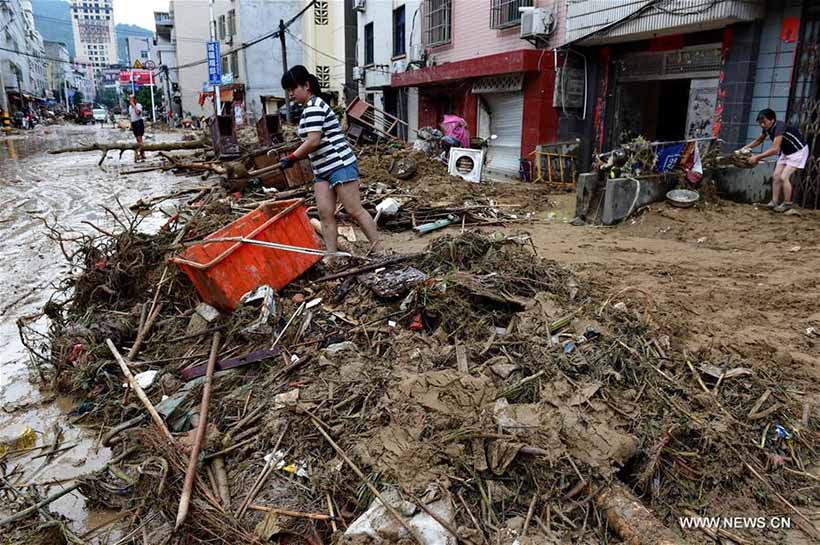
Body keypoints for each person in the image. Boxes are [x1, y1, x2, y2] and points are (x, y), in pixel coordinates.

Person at [279, 65, 380, 254]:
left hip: (340, 164)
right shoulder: (308, 109)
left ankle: (379, 249)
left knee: (354, 210)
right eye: (289, 90)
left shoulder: (315, 106)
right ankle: (331, 256)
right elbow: (310, 140)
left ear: (306, 85)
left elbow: (314, 140)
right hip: (321, 169)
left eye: (293, 89)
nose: (291, 94)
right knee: (325, 214)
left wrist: (292, 158)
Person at [741, 108, 808, 213]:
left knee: (783, 177)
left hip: (797, 152)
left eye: (764, 122)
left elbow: (775, 150)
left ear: (772, 120)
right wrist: (743, 149)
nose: (762, 125)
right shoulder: (768, 128)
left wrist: (757, 157)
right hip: (786, 152)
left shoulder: (779, 128)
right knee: (776, 176)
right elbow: (759, 140)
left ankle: (787, 204)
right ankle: (774, 202)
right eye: (760, 123)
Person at [128, 95, 146, 162]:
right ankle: (141, 153)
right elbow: (131, 116)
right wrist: (131, 125)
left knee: (139, 138)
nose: (130, 100)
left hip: (139, 122)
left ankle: (142, 153)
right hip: (134, 123)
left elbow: (138, 113)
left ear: (135, 99)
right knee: (137, 139)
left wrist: (134, 105)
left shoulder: (138, 105)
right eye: (130, 99)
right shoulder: (129, 107)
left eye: (131, 99)